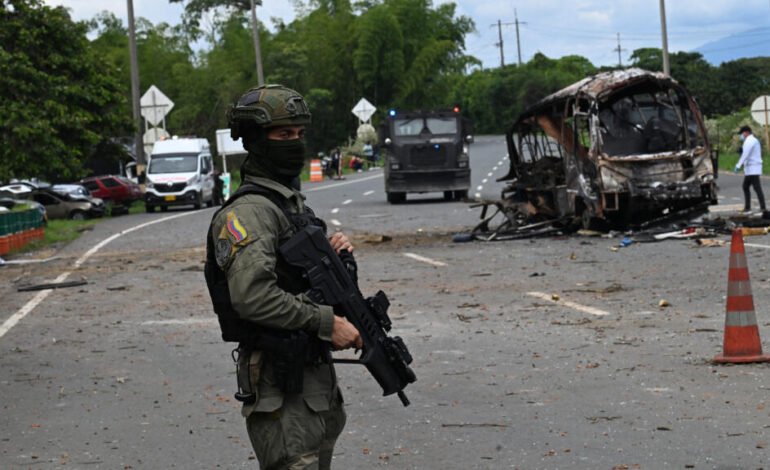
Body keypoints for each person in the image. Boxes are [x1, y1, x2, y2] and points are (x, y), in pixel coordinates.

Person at [205, 84, 362, 470]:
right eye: (283, 135)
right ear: (258, 141)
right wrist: (326, 322)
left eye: (299, 134)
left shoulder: (287, 205)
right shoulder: (250, 213)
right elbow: (252, 296)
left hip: (309, 381)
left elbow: (294, 278)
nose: (294, 143)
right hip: (282, 382)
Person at [734, 125, 766, 214]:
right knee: (746, 186)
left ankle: (762, 208)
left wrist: (738, 165)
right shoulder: (750, 140)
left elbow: (745, 154)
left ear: (747, 132)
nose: (741, 135)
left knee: (756, 188)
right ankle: (748, 207)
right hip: (750, 169)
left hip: (753, 168)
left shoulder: (750, 141)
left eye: (742, 133)